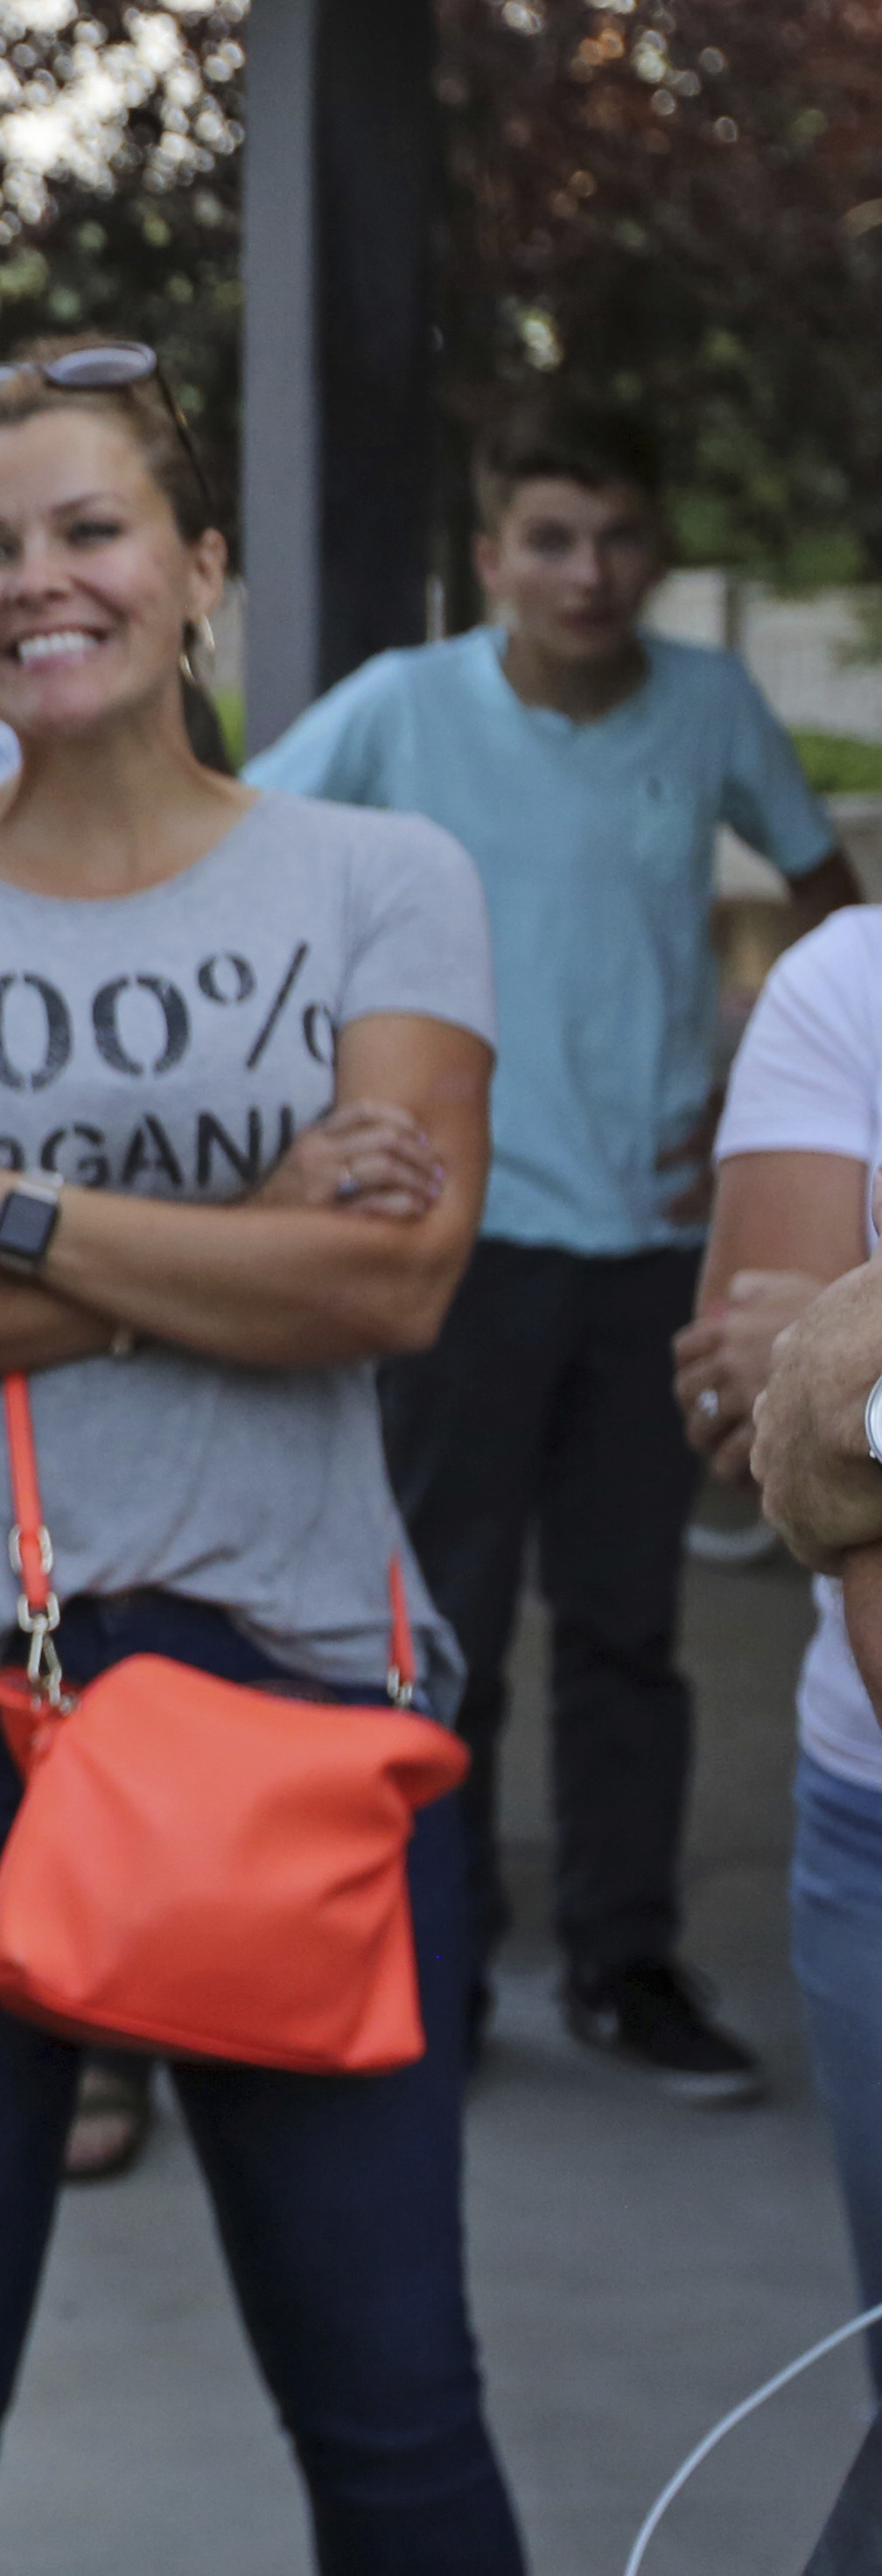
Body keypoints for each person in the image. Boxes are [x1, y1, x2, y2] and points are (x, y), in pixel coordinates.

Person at [0, 340, 520, 2570]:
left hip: (303, 1701)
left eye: (90, 532)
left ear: (199, 571)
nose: (34, 581)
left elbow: (389, 1289)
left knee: (393, 2409)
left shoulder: (385, 876)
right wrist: (251, 1225)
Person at [252, 418, 852, 2098]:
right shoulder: (403, 703)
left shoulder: (712, 706)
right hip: (465, 1243)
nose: (587, 573)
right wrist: (330, 1096)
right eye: (551, 538)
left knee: (624, 1627)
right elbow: (247, 863)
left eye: (618, 539)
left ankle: (622, 1963)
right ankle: (429, 1962)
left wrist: (758, 1091)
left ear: (655, 555)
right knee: (442, 1622)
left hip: (653, 1248)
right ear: (496, 551)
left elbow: (830, 899)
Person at [673, 906, 882, 2392]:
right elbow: (759, 1427)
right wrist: (838, 1392)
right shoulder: (851, 982)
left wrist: (853, 1366)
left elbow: (826, 1403)